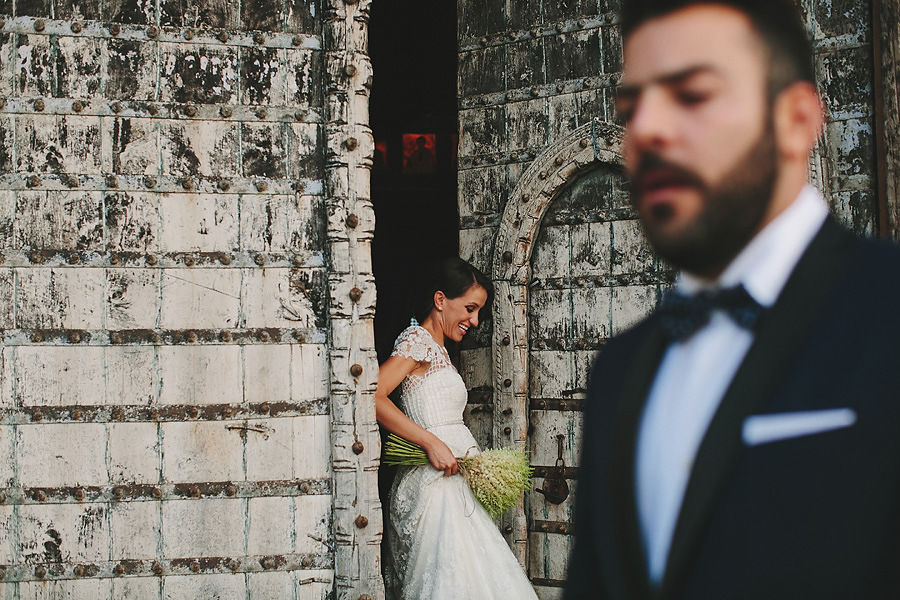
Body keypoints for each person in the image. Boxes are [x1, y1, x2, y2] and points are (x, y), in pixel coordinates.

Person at [565, 0, 900, 598]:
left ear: (797, 119)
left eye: (692, 94)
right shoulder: (616, 371)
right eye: (630, 106)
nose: (646, 129)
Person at [376, 257, 539, 600]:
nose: (475, 320)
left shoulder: (439, 350)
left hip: (453, 482)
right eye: (469, 308)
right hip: (435, 486)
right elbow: (373, 395)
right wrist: (431, 442)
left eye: (478, 311)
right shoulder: (417, 341)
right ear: (440, 300)